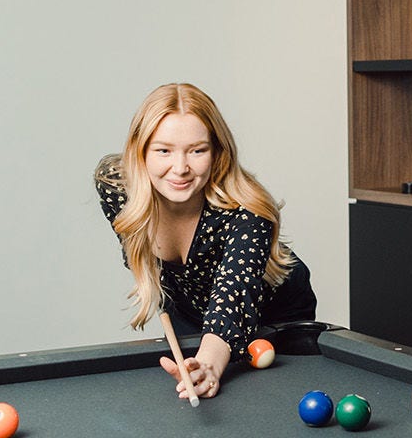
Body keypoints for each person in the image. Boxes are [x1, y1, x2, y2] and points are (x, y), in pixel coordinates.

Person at [95, 83, 316, 401]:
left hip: (276, 313)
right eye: (163, 150)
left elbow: (230, 302)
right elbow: (134, 243)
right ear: (140, 151)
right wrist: (202, 364)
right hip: (188, 308)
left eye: (197, 150)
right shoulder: (116, 186)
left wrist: (210, 364)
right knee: (194, 381)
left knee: (267, 401)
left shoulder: (248, 211)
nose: (180, 168)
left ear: (217, 153)